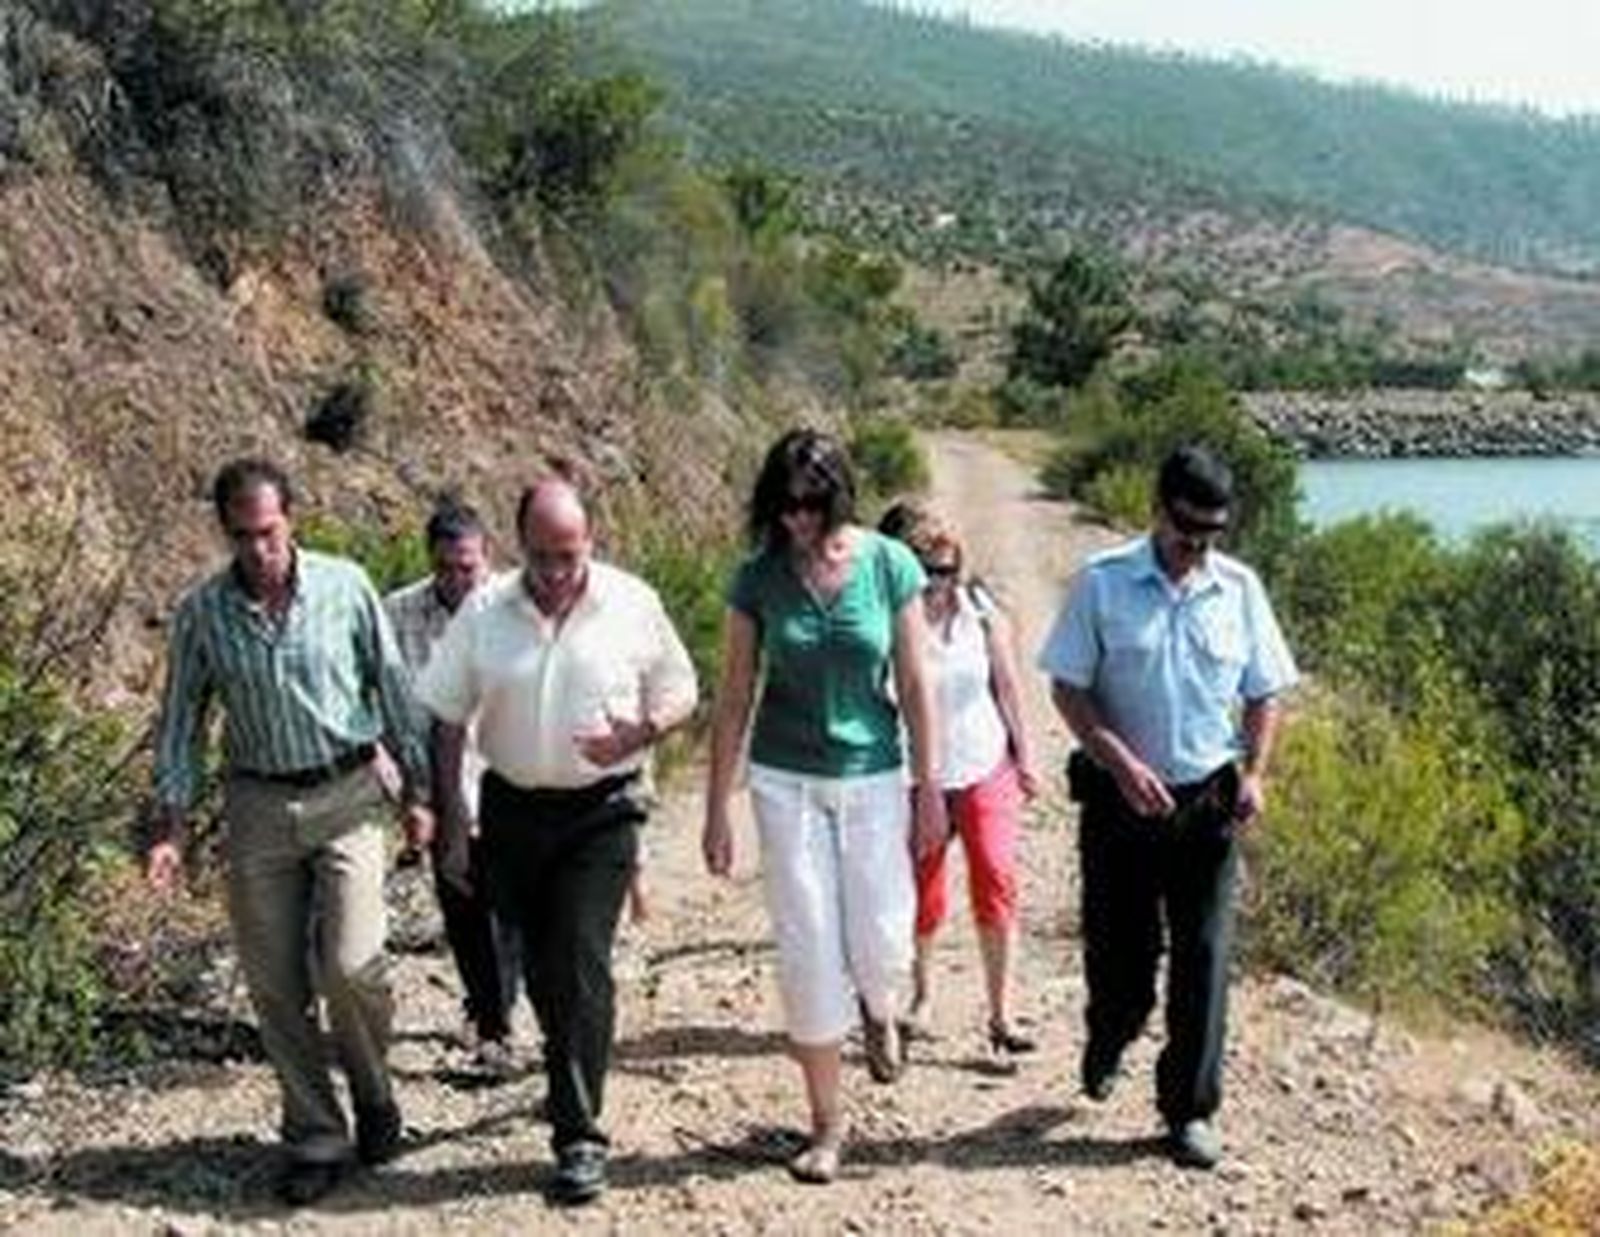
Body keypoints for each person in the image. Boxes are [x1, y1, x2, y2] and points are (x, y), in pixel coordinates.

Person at [147, 458, 434, 1206]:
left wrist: (419, 791)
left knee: (350, 963)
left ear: (292, 520)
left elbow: (393, 682)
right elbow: (180, 720)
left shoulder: (346, 586)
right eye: (242, 536)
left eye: (268, 532)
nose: (258, 550)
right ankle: (315, 1131)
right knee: (274, 981)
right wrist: (170, 826)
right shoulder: (202, 612)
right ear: (226, 532)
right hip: (258, 803)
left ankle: (375, 1093)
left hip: (346, 792)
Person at [416, 477, 697, 1206]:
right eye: (541, 558)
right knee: (542, 967)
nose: (555, 574)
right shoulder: (484, 611)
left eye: (569, 556)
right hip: (512, 811)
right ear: (519, 549)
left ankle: (578, 1133)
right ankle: (566, 1063)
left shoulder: (631, 603)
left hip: (602, 810)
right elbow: (446, 717)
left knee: (579, 957)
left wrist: (638, 733)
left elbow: (681, 688)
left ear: (590, 544)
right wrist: (452, 820)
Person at [1039, 444, 1297, 1170]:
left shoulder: (1239, 589)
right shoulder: (1102, 583)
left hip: (1209, 798)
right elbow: (1067, 686)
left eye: (1212, 534)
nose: (1197, 547)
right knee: (1123, 954)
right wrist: (1118, 760)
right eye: (1187, 531)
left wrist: (1257, 772)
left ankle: (1188, 1109)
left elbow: (1264, 692)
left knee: (1205, 958)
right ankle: (1111, 1031)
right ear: (1159, 510)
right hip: (1121, 801)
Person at [703, 428, 944, 1186]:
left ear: (837, 498)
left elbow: (913, 682)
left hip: (874, 776)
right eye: (783, 506)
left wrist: (931, 786)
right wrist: (716, 804)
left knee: (879, 936)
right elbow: (735, 695)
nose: (797, 520)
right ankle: (826, 1124)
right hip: (784, 779)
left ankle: (879, 1005)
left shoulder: (888, 563)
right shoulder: (758, 578)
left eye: (810, 504)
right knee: (807, 946)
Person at [878, 505, 1041, 1061]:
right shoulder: (888, 621)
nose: (937, 582)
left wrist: (1025, 755)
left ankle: (1002, 1012)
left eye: (947, 569)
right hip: (913, 770)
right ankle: (922, 995)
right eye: (926, 570)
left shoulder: (981, 614)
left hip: (982, 760)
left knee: (996, 875)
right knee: (922, 886)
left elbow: (1009, 686)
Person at [383, 498, 522, 1077]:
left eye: (468, 568)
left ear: (486, 557)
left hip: (509, 776)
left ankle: (497, 1016)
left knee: (510, 906)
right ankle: (487, 1014)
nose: (458, 580)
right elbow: (387, 704)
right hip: (438, 782)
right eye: (446, 568)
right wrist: (407, 792)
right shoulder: (398, 615)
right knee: (461, 904)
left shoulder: (516, 605)